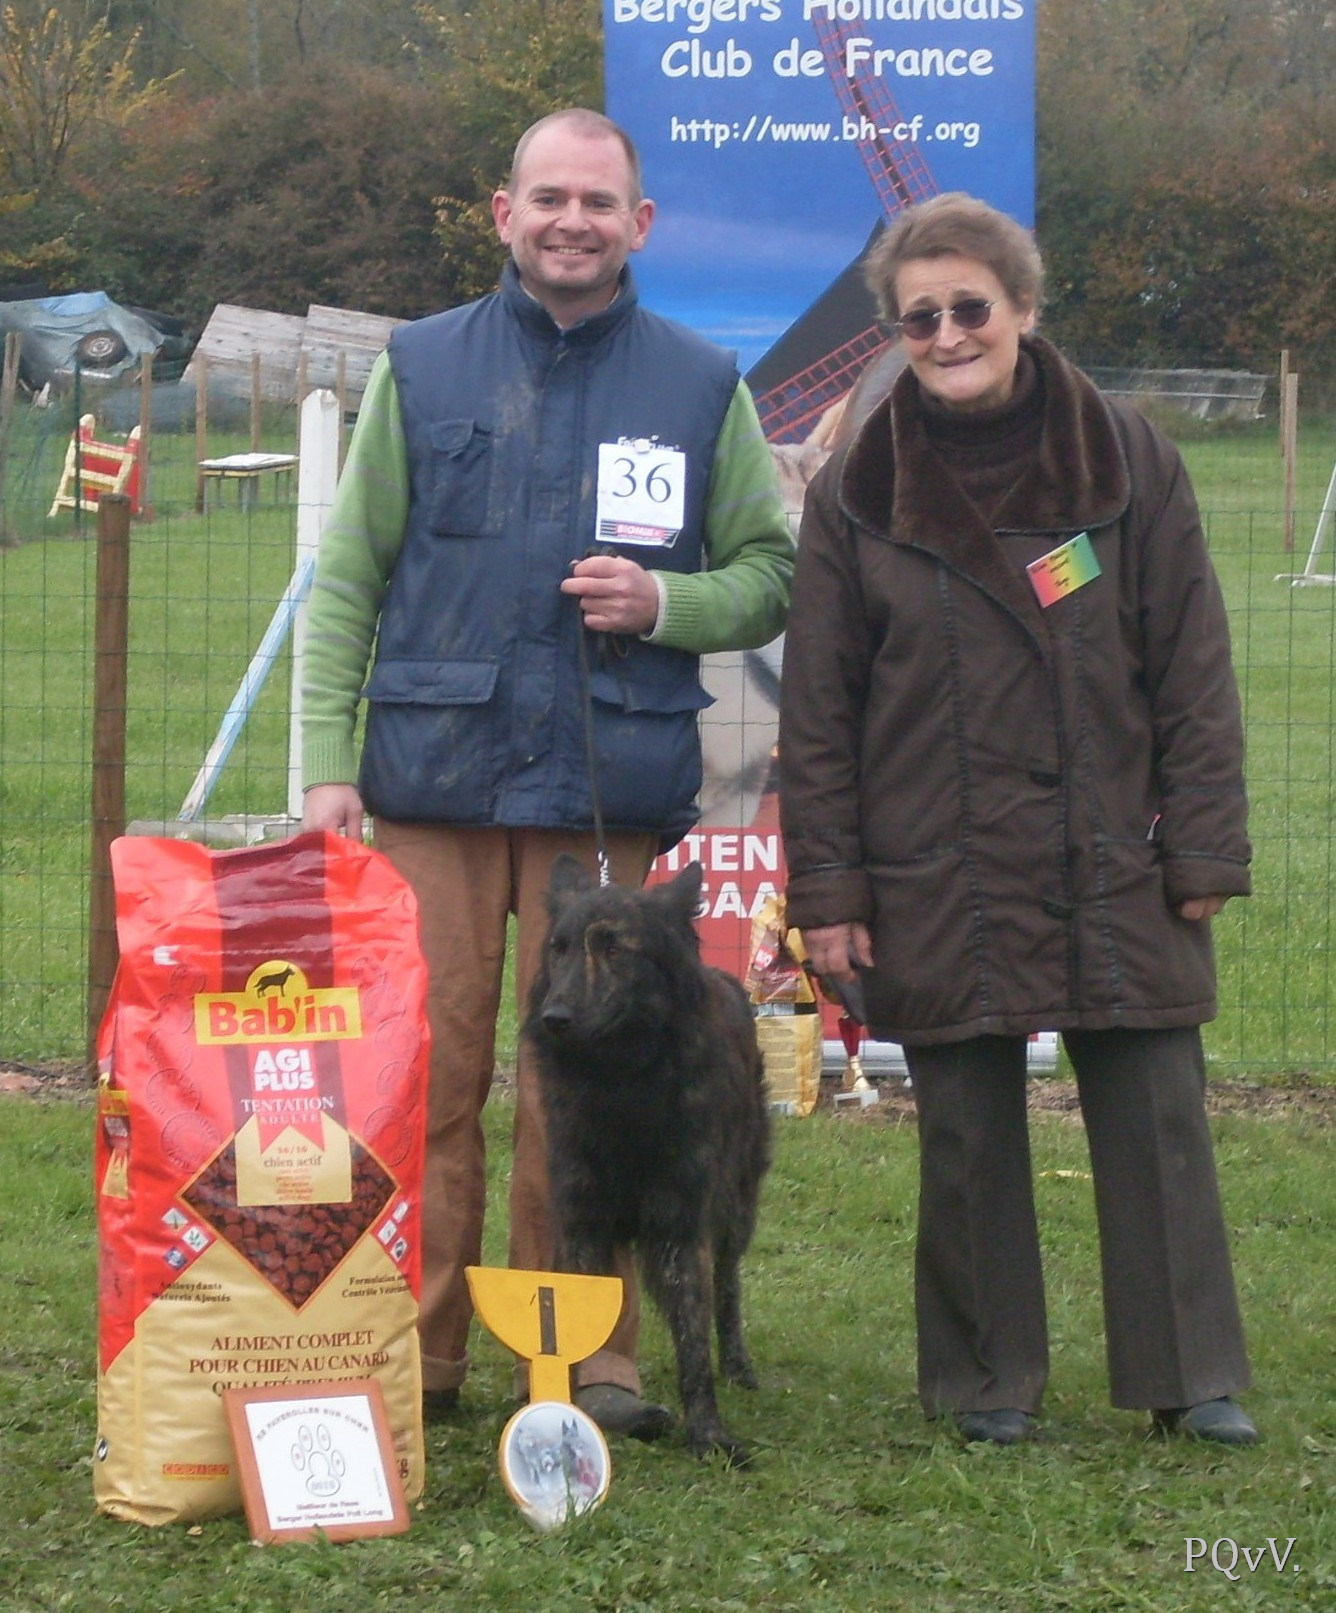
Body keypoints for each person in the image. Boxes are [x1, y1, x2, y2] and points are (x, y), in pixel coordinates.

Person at [299, 109, 792, 1440]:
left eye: (600, 201)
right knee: (432, 1077)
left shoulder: (701, 382)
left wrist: (665, 600)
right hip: (433, 783)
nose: (572, 220)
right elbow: (349, 572)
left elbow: (772, 572)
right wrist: (322, 764)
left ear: (641, 226)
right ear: (502, 211)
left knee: (601, 1087)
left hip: (602, 786)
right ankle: (432, 1348)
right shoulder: (422, 364)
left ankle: (588, 1362)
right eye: (548, 196)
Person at [778, 192, 1257, 1447]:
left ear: (1024, 309)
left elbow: (1193, 666)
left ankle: (1189, 1373)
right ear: (893, 330)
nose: (945, 333)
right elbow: (817, 711)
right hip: (934, 852)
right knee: (967, 1126)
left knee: (1155, 1109)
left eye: (968, 307)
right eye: (917, 314)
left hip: (1115, 843)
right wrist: (828, 891)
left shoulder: (1128, 455)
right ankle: (987, 1381)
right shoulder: (853, 490)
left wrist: (1202, 840)